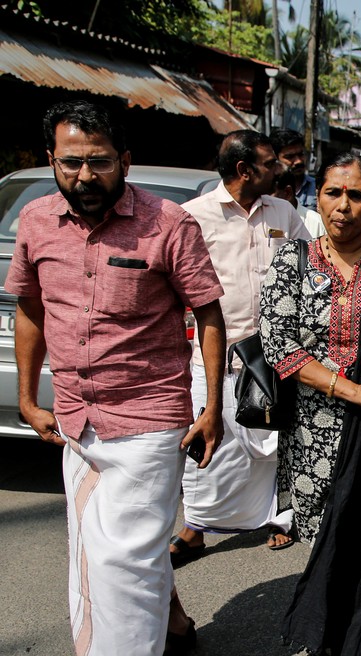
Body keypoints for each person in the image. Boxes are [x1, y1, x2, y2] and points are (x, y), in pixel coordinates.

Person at [6, 100, 225, 655]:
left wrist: (212, 408)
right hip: (75, 421)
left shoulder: (169, 224)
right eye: (71, 162)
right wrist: (28, 400)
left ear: (124, 160)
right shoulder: (34, 222)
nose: (85, 176)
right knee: (95, 550)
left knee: (121, 558)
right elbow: (30, 309)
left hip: (150, 419)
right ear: (51, 160)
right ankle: (172, 629)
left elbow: (208, 314)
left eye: (99, 161)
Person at [261, 152, 361, 655]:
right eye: (333, 193)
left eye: (356, 195)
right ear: (316, 197)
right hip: (315, 427)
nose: (343, 206)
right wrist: (352, 389)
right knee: (328, 534)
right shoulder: (291, 260)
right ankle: (331, 628)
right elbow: (280, 346)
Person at [171, 130, 309, 566]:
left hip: (273, 357)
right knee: (210, 446)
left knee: (275, 442)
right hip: (214, 360)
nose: (281, 170)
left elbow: (310, 263)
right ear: (244, 170)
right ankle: (194, 530)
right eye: (270, 163)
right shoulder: (191, 217)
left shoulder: (284, 212)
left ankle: (277, 518)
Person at [270, 127, 317, 210]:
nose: (298, 161)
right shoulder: (267, 191)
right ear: (276, 158)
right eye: (290, 157)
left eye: (301, 154)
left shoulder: (317, 188)